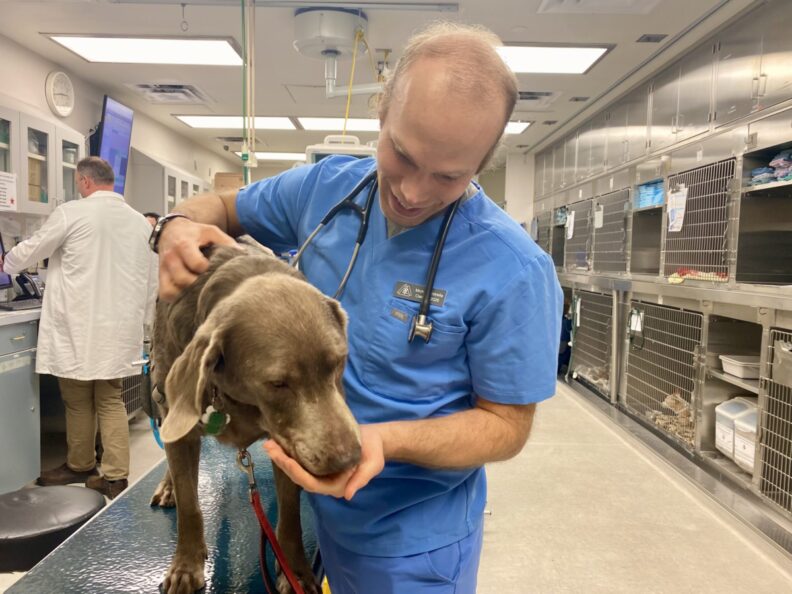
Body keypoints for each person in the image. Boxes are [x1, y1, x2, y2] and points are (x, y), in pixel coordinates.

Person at [151, 22, 561, 593]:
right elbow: (218, 205)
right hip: (316, 505)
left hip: (409, 541)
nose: (413, 192)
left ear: (485, 161)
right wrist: (175, 226)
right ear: (381, 114)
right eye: (402, 154)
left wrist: (383, 441)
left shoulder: (516, 270)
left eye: (448, 175)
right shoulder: (326, 188)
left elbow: (507, 428)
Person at [1, 157, 157, 499]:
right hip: (118, 329)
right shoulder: (139, 223)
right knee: (110, 397)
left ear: (84, 181)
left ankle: (81, 463)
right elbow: (152, 280)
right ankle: (114, 476)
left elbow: (30, 251)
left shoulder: (72, 212)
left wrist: (7, 261)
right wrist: (145, 323)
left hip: (79, 325)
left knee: (76, 399)